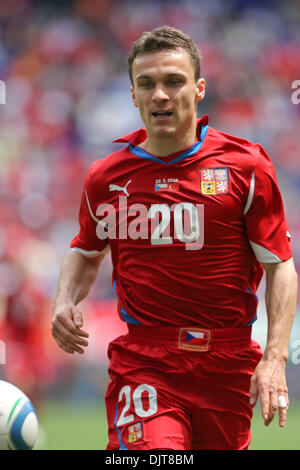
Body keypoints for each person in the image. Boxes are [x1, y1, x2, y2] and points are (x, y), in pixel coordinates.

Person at [51, 26, 298, 450]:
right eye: (146, 84)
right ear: (132, 94)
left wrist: (275, 358)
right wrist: (64, 300)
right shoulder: (106, 178)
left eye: (173, 81)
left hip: (228, 362)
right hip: (146, 359)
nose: (160, 95)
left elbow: (280, 266)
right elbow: (86, 249)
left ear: (199, 88)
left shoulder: (246, 167)